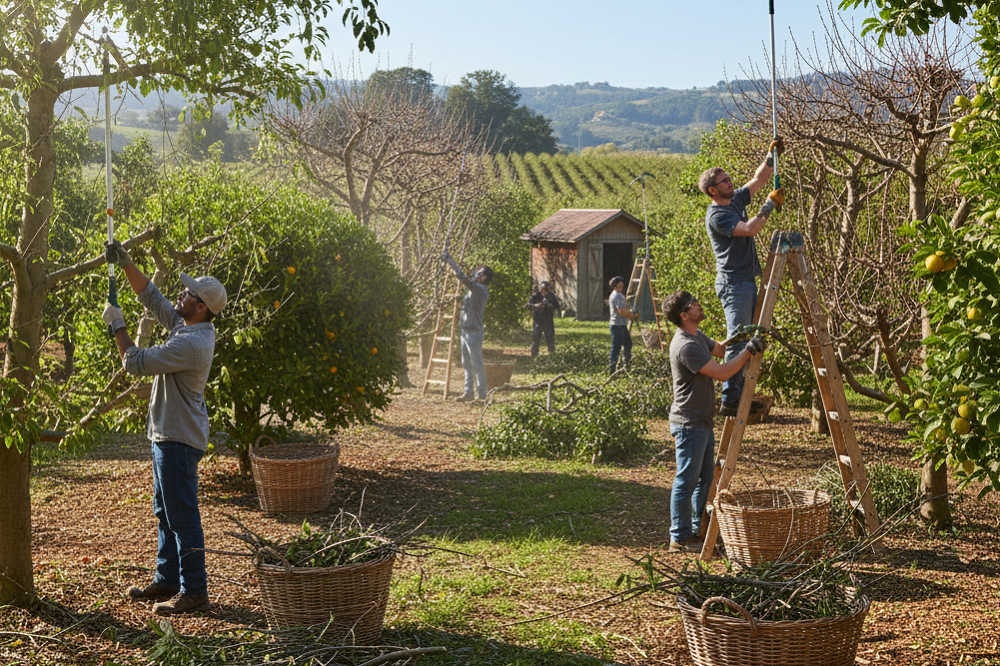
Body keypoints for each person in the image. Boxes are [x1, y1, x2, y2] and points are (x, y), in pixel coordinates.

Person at [102, 240, 227, 615]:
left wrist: (118, 326)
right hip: (166, 434)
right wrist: (127, 264)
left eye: (187, 293)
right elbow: (153, 298)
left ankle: (194, 591)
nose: (180, 293)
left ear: (200, 307)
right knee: (165, 511)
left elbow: (135, 363)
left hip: (177, 439)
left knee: (182, 516)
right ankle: (168, 578)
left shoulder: (192, 342)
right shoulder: (186, 324)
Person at [662, 290, 767, 553]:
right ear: (684, 316)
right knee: (686, 479)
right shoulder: (685, 345)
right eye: (693, 305)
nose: (699, 305)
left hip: (701, 421)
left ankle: (698, 529)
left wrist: (739, 338)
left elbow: (720, 349)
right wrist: (749, 350)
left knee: (705, 478)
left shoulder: (696, 336)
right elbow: (721, 372)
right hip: (689, 423)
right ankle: (680, 537)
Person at [700, 137, 783, 417]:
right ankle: (731, 400)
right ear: (713, 190)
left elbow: (759, 179)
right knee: (738, 340)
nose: (730, 183)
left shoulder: (734, 199)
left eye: (729, 179)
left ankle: (738, 395)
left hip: (746, 279)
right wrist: (769, 206)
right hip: (733, 284)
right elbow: (748, 229)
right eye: (724, 182)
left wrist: (771, 156)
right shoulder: (717, 216)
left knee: (746, 336)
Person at [442, 251, 493, 401]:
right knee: (466, 363)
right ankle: (468, 392)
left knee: (477, 364)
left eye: (482, 274)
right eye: (477, 273)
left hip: (474, 332)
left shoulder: (481, 289)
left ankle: (482, 396)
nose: (478, 275)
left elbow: (462, 278)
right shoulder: (473, 290)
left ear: (486, 279)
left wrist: (450, 260)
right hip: (465, 330)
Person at [608, 275, 638, 374]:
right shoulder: (616, 295)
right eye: (619, 284)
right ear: (616, 285)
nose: (621, 285)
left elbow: (624, 308)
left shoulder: (619, 295)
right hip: (617, 325)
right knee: (616, 346)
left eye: (621, 284)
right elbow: (620, 311)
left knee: (628, 343)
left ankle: (626, 365)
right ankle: (612, 369)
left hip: (621, 324)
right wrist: (631, 316)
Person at [527, 281, 560, 358]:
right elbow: (527, 305)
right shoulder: (535, 296)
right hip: (538, 321)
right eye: (543, 289)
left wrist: (550, 306)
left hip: (548, 321)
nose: (544, 291)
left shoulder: (551, 296)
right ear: (540, 289)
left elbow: (557, 306)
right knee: (535, 340)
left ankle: (552, 357)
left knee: (550, 340)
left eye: (547, 289)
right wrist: (535, 305)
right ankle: (534, 356)